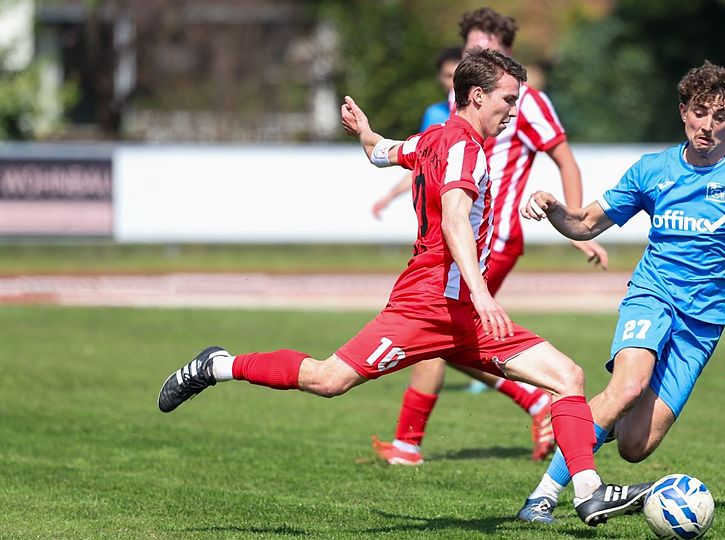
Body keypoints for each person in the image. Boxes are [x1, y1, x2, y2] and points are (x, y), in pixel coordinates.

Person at [157, 48, 646, 528]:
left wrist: (364, 132)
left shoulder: (432, 139)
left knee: (567, 377)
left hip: (462, 314)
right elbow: (455, 220)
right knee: (328, 380)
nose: (514, 111)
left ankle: (586, 491)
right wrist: (482, 293)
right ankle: (217, 365)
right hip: (426, 306)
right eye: (508, 100)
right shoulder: (464, 149)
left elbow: (380, 152)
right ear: (477, 96)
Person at [515, 61, 725, 524]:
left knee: (636, 446)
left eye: (720, 116)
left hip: (702, 326)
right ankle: (543, 497)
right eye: (700, 112)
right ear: (683, 111)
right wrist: (553, 206)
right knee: (628, 386)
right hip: (651, 296)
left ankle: (586, 422)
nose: (708, 125)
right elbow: (585, 224)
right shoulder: (653, 170)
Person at [370, 7, 608, 467]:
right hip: (464, 236)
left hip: (492, 240)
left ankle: (409, 443)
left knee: (437, 330)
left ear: (507, 51)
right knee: (448, 336)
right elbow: (430, 156)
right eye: (470, 48)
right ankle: (527, 403)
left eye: (486, 47)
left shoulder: (527, 102)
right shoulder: (460, 103)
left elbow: (566, 161)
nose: (475, 55)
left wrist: (577, 227)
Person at [372, 47, 462, 220]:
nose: (454, 83)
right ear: (439, 78)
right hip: (442, 208)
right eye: (448, 76)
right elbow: (422, 161)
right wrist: (390, 196)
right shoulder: (435, 115)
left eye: (458, 76)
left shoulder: (483, 114)